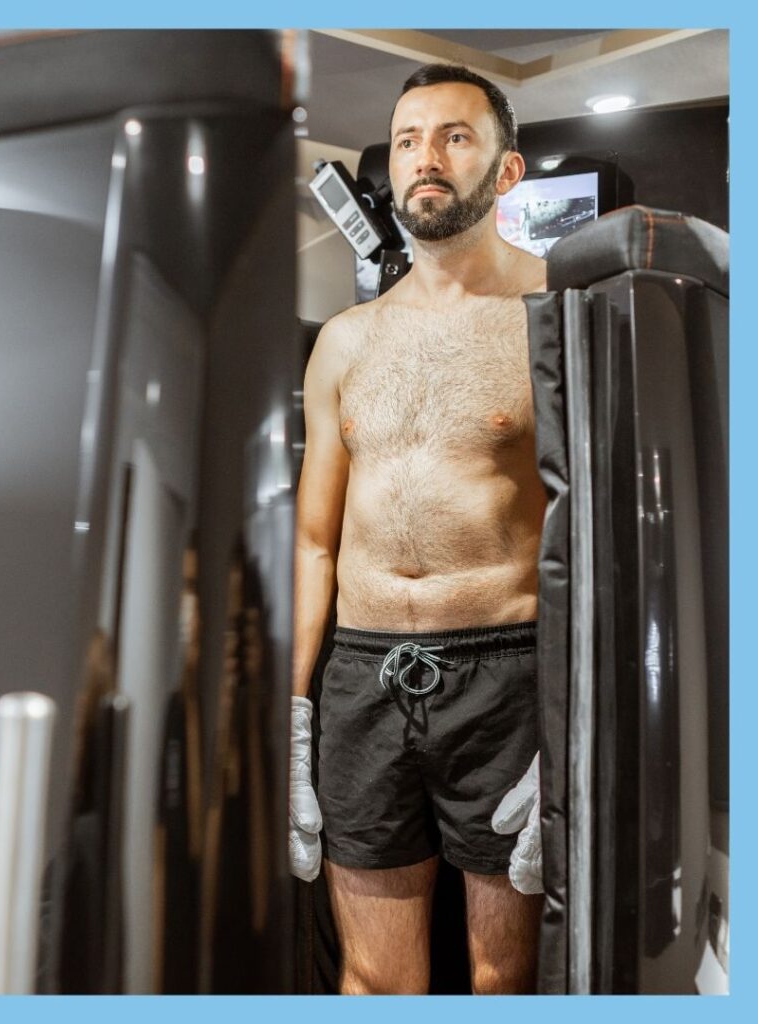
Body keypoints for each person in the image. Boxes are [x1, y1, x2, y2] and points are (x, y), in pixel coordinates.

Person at [288, 64, 547, 995]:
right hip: (359, 677)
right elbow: (313, 542)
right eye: (407, 140)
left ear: (507, 170)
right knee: (373, 979)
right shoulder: (345, 342)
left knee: (500, 977)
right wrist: (295, 712)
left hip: (506, 675)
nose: (425, 159)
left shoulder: (556, 318)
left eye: (454, 137)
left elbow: (592, 536)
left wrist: (570, 722)